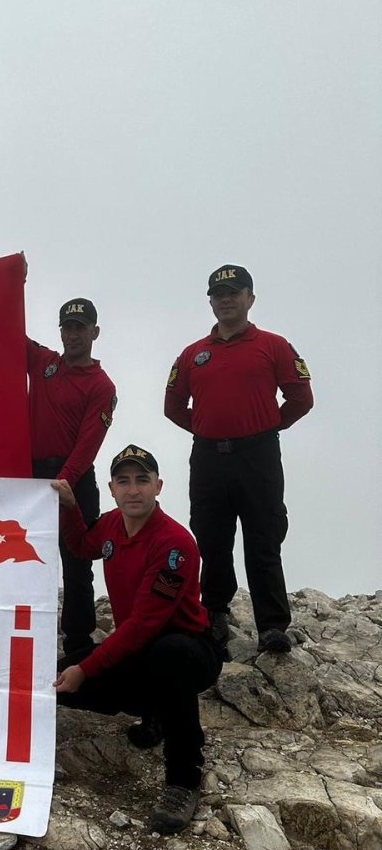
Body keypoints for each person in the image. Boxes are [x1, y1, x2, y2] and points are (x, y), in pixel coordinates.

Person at [51, 445, 221, 834]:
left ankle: (183, 781)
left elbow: (144, 624)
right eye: (124, 481)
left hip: (190, 651)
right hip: (141, 654)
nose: (133, 490)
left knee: (169, 653)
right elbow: (80, 546)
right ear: (111, 489)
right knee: (55, 681)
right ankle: (156, 712)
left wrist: (86, 667)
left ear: (158, 486)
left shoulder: (174, 543)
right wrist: (70, 506)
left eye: (142, 480)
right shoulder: (112, 525)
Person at [164, 265, 313, 653]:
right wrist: (206, 428)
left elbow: (301, 398)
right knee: (211, 538)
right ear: (210, 301)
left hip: (257, 456)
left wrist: (265, 427)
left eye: (233, 292)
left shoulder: (273, 345)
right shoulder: (193, 353)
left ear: (250, 297)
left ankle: (272, 625)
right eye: (218, 293)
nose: (225, 299)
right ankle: (213, 613)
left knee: (264, 537)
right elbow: (173, 405)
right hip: (209, 458)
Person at [27, 298, 117, 660]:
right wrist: (15, 283)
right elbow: (7, 336)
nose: (73, 334)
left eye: (81, 327)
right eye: (67, 327)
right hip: (31, 479)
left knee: (77, 565)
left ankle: (78, 645)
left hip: (72, 482)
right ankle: (25, 636)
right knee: (23, 558)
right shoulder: (45, 363)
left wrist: (63, 483)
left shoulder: (101, 385)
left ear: (95, 332)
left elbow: (88, 443)